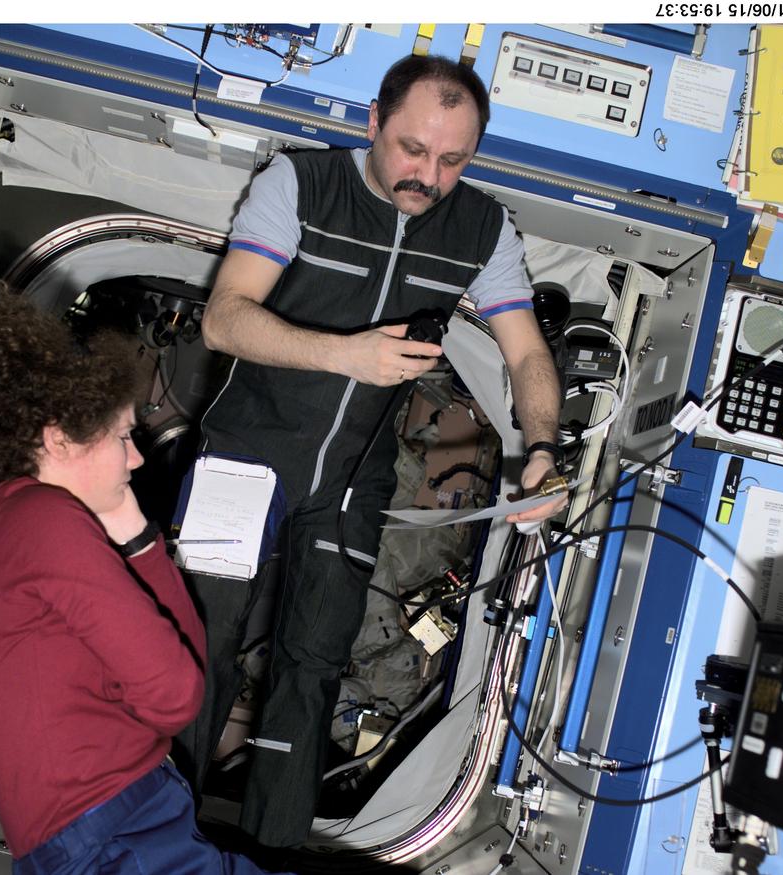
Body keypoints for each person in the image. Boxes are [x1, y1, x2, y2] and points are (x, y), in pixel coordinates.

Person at [177, 55, 568, 849]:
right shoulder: (300, 184)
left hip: (353, 477)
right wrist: (345, 355)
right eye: (411, 149)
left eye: (452, 160)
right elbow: (224, 319)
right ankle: (151, 843)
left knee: (312, 668)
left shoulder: (482, 229)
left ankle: (270, 856)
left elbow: (526, 355)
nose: (427, 175)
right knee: (195, 648)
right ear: (372, 125)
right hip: (247, 451)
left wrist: (541, 448)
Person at [0, 286, 280, 874]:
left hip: (117, 827)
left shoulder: (6, 520)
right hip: (112, 836)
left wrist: (137, 534)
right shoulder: (41, 519)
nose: (137, 458)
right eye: (124, 436)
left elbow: (183, 669)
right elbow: (176, 698)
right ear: (59, 438)